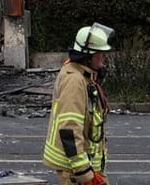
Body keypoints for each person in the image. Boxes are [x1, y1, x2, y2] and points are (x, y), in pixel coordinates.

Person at [44, 23, 111, 185]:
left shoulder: (85, 76)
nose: (104, 57)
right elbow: (69, 130)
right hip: (76, 171)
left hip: (88, 167)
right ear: (87, 56)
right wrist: (85, 174)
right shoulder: (74, 80)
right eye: (99, 53)